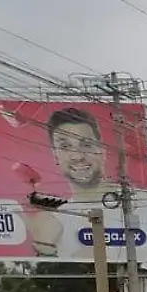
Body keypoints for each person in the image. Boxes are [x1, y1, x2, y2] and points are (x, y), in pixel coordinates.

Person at [24, 107, 117, 260]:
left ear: (102, 151)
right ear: (55, 156)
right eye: (65, 147)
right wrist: (44, 249)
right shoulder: (55, 223)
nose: (77, 156)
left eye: (86, 144)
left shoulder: (138, 204)